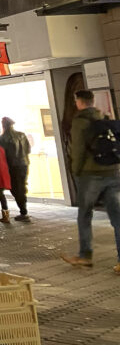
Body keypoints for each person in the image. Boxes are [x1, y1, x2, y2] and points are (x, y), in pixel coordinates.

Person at [62, 89, 120, 272]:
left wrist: (75, 171)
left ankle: (85, 256)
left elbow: (77, 150)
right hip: (111, 171)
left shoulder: (80, 121)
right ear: (92, 101)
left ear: (78, 102)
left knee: (85, 215)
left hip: (90, 174)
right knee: (117, 217)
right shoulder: (104, 116)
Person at [0, 118, 31, 222]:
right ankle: (24, 211)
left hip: (12, 166)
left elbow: (1, 155)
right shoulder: (21, 135)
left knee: (16, 189)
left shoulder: (2, 138)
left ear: (3, 125)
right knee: (22, 185)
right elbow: (28, 149)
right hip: (24, 164)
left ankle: (23, 212)